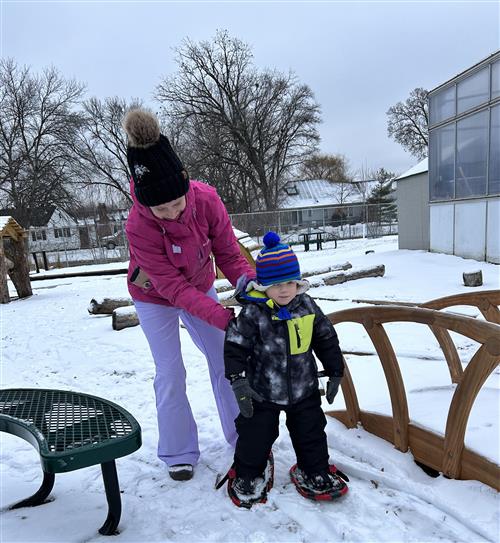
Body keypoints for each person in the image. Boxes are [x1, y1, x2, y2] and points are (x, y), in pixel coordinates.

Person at [123, 109, 255, 481]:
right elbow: (173, 289)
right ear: (144, 203)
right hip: (154, 297)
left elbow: (229, 252)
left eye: (177, 203)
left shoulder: (207, 200)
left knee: (227, 359)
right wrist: (223, 316)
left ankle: (243, 434)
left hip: (199, 283)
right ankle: (179, 451)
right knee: (170, 371)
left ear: (185, 184)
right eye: (159, 208)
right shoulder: (137, 225)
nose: (170, 212)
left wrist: (248, 285)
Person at [223, 231, 349, 508]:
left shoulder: (306, 306)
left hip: (303, 389)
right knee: (255, 436)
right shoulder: (254, 313)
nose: (284, 290)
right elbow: (235, 346)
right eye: (276, 284)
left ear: (298, 282)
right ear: (263, 284)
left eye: (290, 282)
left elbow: (325, 338)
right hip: (262, 392)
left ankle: (314, 469)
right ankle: (248, 473)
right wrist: (237, 379)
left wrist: (335, 370)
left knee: (311, 432)